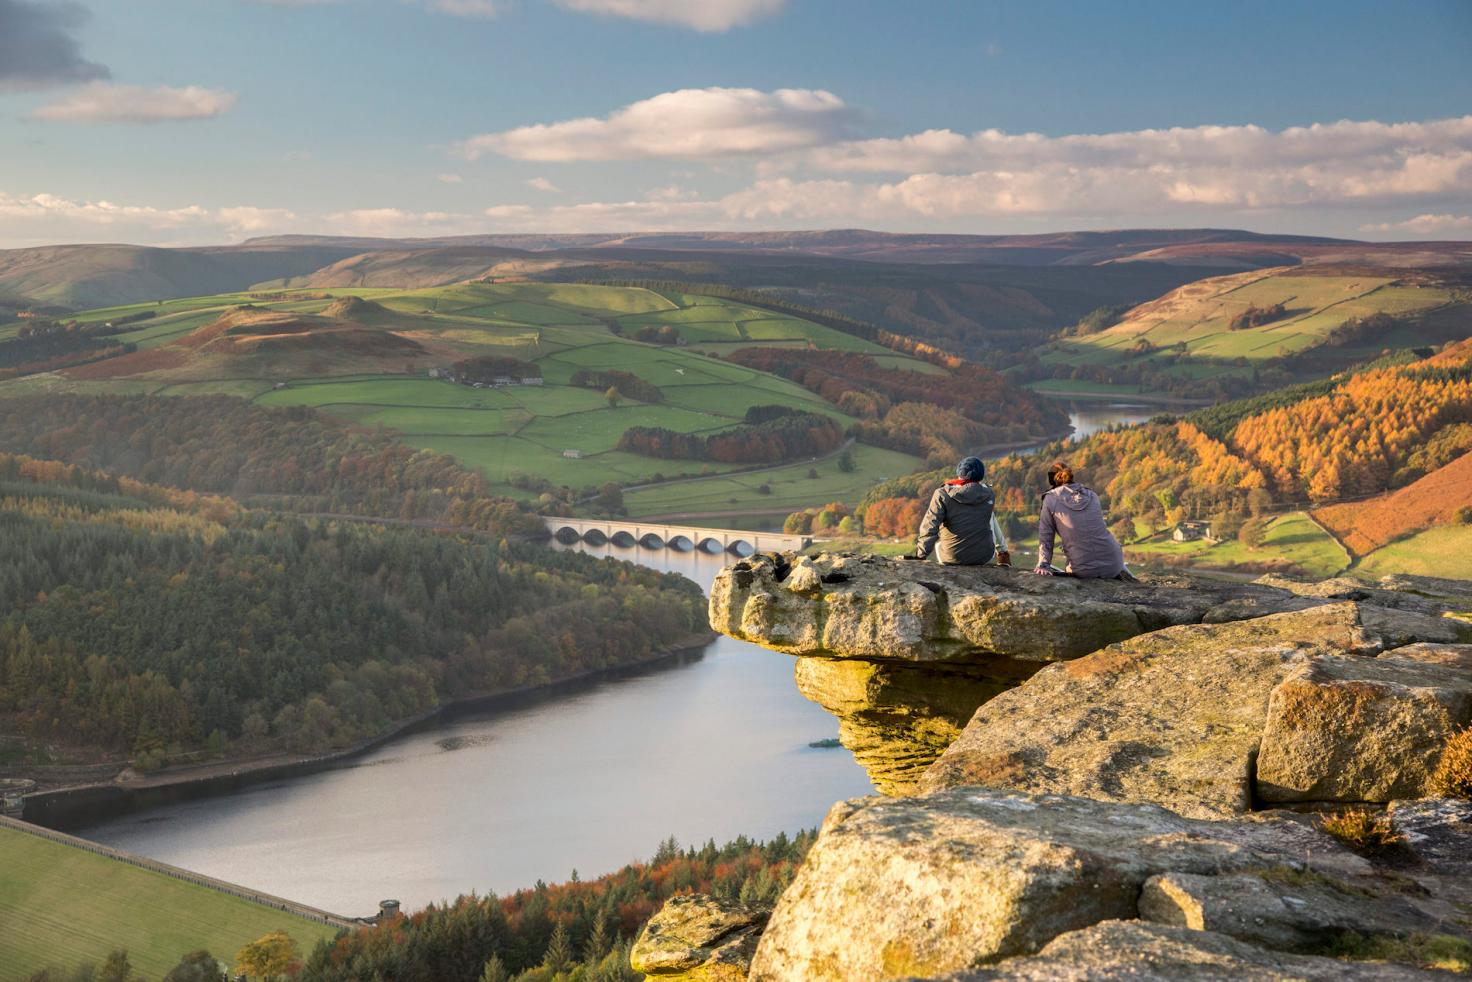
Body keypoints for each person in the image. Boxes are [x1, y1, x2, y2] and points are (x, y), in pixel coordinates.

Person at [1033, 461, 1134, 580]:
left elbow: (1046, 537)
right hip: (1114, 564)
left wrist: (1043, 565)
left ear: (1052, 480)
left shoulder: (1050, 499)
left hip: (1084, 571)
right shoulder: (1092, 495)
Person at [908, 456, 1012, 566]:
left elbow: (930, 526)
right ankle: (1003, 554)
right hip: (984, 557)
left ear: (959, 473)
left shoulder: (942, 494)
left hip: (952, 558)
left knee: (939, 545)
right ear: (981, 475)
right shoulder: (989, 494)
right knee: (989, 514)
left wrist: (920, 555)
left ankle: (1003, 552)